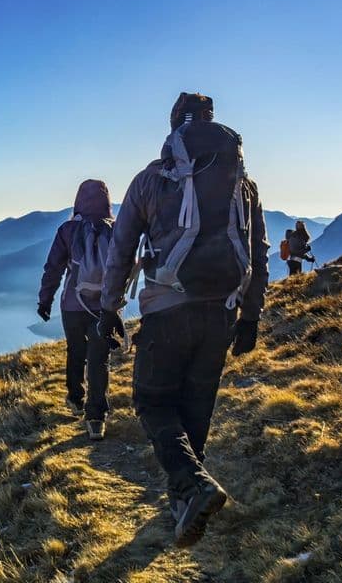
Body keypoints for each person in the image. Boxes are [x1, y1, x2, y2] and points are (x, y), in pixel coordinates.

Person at [98, 93, 269, 547]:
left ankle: (193, 490)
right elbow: (258, 252)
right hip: (222, 312)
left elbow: (121, 250)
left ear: (174, 128)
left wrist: (110, 307)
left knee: (153, 403)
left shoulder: (153, 179)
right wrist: (250, 316)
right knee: (195, 410)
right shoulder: (242, 185)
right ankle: (186, 506)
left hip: (167, 310)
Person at [38, 179, 115, 440]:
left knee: (76, 351)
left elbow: (54, 268)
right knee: (99, 358)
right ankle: (96, 417)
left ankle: (75, 397)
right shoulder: (116, 230)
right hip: (105, 306)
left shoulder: (68, 230)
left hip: (73, 304)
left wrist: (45, 300)